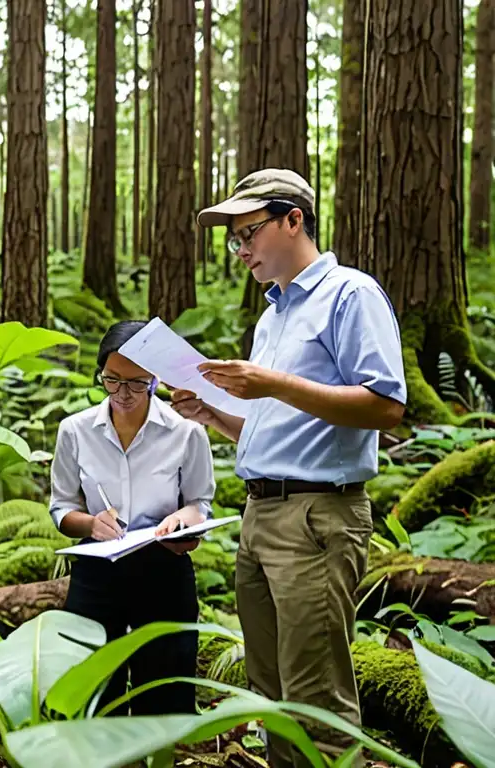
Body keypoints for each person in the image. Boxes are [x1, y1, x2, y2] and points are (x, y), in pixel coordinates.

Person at [172, 168, 406, 768]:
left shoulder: (349, 295)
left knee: (316, 699)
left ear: (293, 219)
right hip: (261, 514)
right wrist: (216, 416)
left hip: (316, 520)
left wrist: (271, 382)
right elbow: (285, 430)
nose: (241, 251)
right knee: (270, 690)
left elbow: (386, 405)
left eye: (249, 232)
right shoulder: (271, 317)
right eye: (234, 240)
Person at [48, 321, 216, 717]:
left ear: (156, 379)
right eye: (112, 380)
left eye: (137, 383)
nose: (123, 394)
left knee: (163, 695)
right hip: (97, 574)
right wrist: (90, 525)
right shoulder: (74, 431)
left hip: (164, 572)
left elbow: (199, 503)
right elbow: (61, 508)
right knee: (91, 693)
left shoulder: (186, 431)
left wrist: (182, 523)